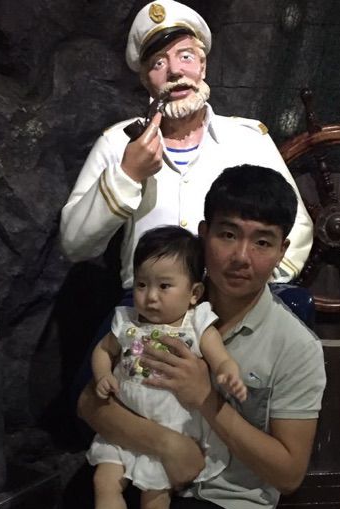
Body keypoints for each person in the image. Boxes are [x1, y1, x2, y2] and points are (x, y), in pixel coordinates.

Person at [26, 164, 326, 509]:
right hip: (140, 474)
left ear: (281, 251)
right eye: (228, 234)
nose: (241, 257)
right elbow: (88, 403)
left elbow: (289, 474)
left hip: (227, 502)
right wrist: (168, 444)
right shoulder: (151, 303)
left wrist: (206, 398)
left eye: (262, 242)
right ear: (204, 234)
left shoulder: (295, 347)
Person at [59, 0, 313, 291]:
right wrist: (127, 175)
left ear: (202, 66)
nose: (175, 71)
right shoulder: (117, 143)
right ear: (145, 80)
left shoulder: (249, 140)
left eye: (186, 56)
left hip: (230, 305)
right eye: (158, 63)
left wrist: (251, 289)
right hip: (150, 307)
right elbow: (74, 245)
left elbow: (298, 227)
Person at [87, 225, 246, 509]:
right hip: (125, 426)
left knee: (153, 504)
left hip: (173, 431)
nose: (151, 296)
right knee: (103, 481)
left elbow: (220, 357)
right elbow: (102, 351)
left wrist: (229, 373)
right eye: (142, 284)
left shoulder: (196, 323)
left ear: (194, 293)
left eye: (164, 286)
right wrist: (103, 375)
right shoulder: (126, 320)